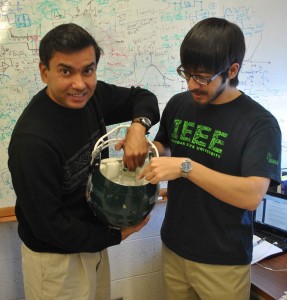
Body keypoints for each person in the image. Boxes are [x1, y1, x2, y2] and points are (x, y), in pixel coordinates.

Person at [8, 23, 160, 300]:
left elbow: (144, 97)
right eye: (66, 71)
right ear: (45, 72)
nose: (80, 84)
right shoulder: (32, 142)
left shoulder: (93, 97)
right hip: (55, 262)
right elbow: (49, 226)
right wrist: (116, 236)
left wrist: (138, 127)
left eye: (88, 70)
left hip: (92, 242)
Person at [140, 17, 281, 300]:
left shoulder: (259, 124)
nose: (192, 84)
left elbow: (251, 195)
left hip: (223, 262)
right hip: (174, 247)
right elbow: (166, 147)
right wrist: (145, 148)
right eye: (187, 73)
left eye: (203, 77)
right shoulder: (180, 104)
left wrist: (185, 167)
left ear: (232, 69)